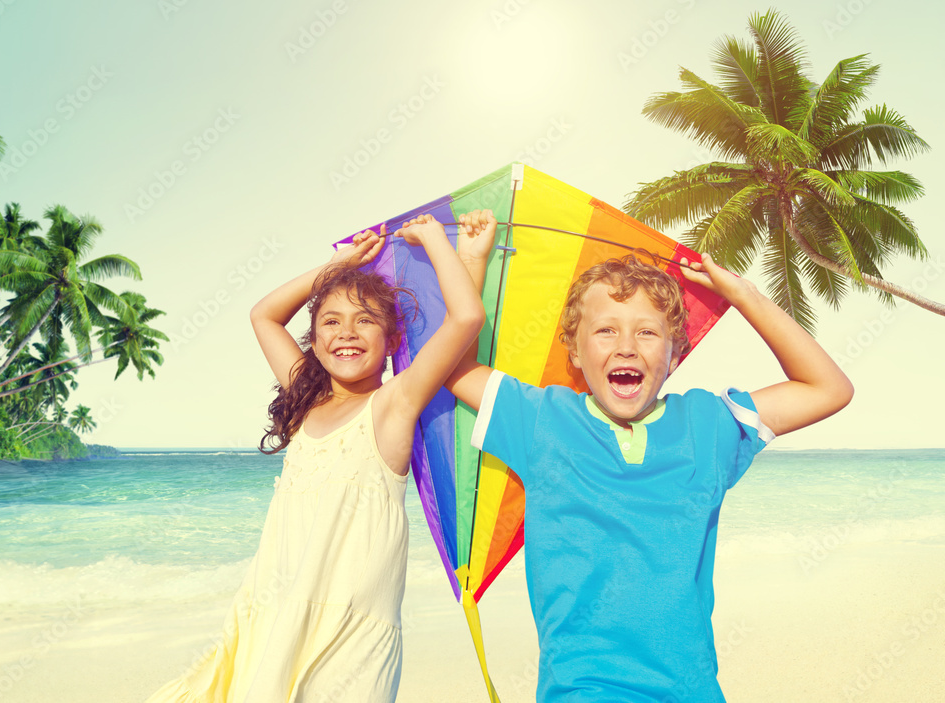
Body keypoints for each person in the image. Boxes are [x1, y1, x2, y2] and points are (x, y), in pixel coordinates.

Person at [447, 210, 854, 702]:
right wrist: (472, 258)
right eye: (604, 331)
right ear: (574, 352)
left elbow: (827, 388)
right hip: (582, 691)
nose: (626, 347)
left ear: (675, 354)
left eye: (647, 332)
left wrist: (741, 293)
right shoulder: (541, 420)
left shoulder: (708, 425)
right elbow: (455, 365)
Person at [145, 214, 484, 703]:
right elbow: (263, 315)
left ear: (391, 342)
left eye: (365, 320)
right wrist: (337, 265)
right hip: (273, 611)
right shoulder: (306, 401)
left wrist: (435, 239)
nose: (347, 332)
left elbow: (465, 318)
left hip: (350, 634)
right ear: (316, 342)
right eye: (331, 320)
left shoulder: (392, 406)